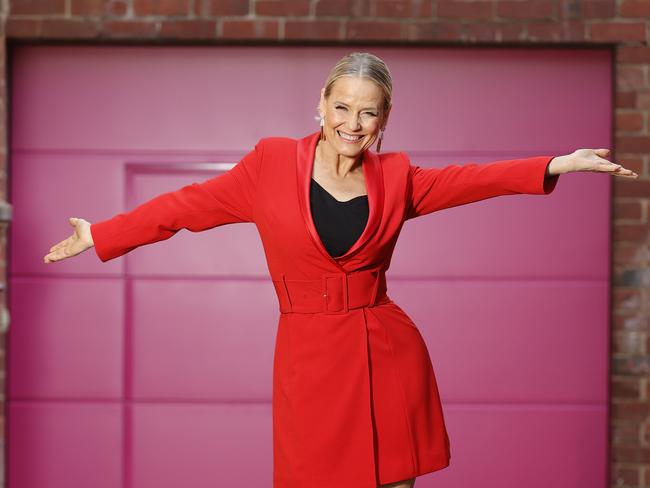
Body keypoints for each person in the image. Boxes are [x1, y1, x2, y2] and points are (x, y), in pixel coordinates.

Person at [43, 52, 638, 488]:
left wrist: (557, 162)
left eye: (369, 113)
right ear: (321, 105)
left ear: (385, 120)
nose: (353, 123)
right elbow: (186, 206)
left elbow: (468, 181)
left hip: (386, 350)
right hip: (308, 354)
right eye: (343, 107)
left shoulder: (397, 176)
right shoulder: (270, 164)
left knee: (393, 480)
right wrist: (101, 234)